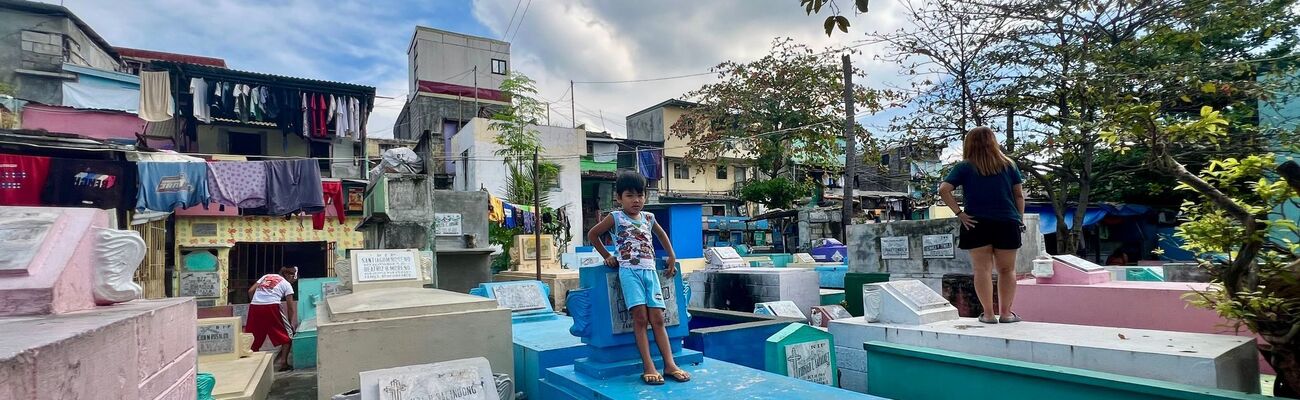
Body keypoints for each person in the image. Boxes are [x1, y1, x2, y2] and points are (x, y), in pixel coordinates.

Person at [586, 171, 691, 385]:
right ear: (619, 198)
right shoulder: (615, 217)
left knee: (658, 318)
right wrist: (607, 256)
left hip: (651, 272)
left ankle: (670, 364)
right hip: (629, 273)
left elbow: (661, 235)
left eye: (640, 195)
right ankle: (648, 366)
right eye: (630, 195)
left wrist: (671, 255)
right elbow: (593, 235)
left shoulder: (649, 218)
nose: (636, 200)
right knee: (641, 318)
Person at [938, 126, 1026, 324]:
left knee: (982, 270)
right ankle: (1006, 314)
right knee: (1007, 270)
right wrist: (1018, 218)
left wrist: (959, 213)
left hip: (976, 223)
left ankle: (987, 314)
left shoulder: (964, 167)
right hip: (1006, 222)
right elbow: (1018, 195)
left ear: (969, 144)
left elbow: (944, 190)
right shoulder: (1009, 165)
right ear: (993, 141)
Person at [246, 266, 298, 371]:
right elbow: (290, 307)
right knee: (288, 335)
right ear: (289, 275)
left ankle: (252, 364)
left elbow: (250, 291)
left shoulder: (266, 276)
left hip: (255, 307)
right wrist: (290, 322)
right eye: (294, 278)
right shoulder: (286, 284)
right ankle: (283, 363)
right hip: (272, 307)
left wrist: (256, 302)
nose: (294, 280)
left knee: (253, 336)